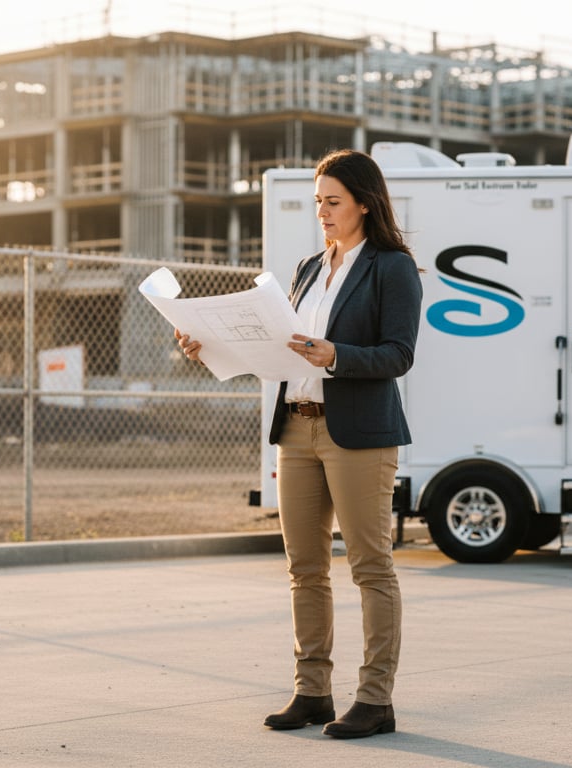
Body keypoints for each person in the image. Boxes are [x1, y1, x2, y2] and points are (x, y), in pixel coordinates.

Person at [176, 148, 422, 739]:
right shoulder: (309, 267)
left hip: (358, 435)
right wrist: (209, 348)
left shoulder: (393, 267)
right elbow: (276, 349)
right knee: (304, 568)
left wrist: (335, 355)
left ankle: (375, 699)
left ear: (365, 203)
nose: (323, 212)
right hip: (297, 426)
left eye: (333, 202)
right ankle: (312, 693)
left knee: (370, 567)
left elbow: (399, 354)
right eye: (318, 202)